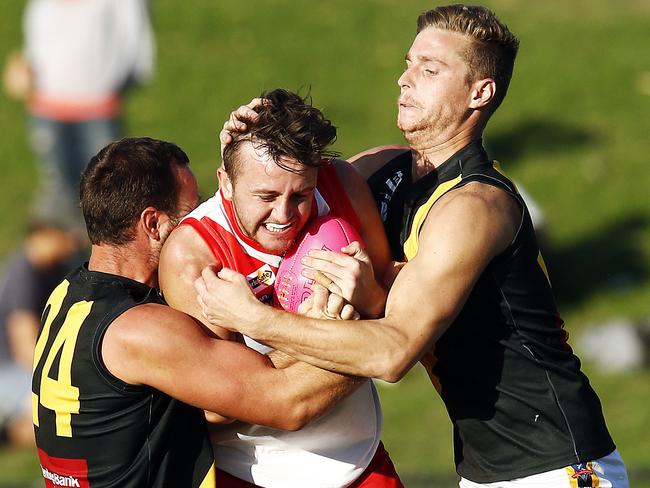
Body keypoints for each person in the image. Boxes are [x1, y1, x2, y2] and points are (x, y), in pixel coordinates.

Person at [194, 5, 629, 488]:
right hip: (488, 468)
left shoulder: (475, 205)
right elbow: (279, 199)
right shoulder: (382, 170)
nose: (405, 79)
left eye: (430, 69)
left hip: (555, 465)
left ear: (479, 93)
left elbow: (393, 353)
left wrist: (253, 319)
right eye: (408, 63)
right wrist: (243, 152)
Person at [32, 136, 367, 488]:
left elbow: (225, 378)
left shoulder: (68, 293)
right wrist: (379, 335)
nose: (204, 220)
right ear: (153, 224)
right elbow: (286, 402)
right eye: (192, 211)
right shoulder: (142, 329)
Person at [159, 88, 402, 488]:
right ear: (226, 182)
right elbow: (221, 405)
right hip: (255, 474)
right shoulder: (196, 254)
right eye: (266, 196)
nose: (284, 215)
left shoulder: (340, 186)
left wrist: (371, 298)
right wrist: (336, 332)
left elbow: (391, 303)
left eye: (300, 195)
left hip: (361, 460)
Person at [3, 0, 155, 232]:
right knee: (58, 191)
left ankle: (104, 256)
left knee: (107, 191)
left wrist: (120, 82)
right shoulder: (43, 5)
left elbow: (136, 42)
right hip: (47, 110)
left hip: (98, 108)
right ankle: (66, 260)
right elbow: (37, 47)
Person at [0, 222, 80, 446]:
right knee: (57, 411)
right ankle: (9, 434)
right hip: (9, 369)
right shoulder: (23, 276)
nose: (73, 242)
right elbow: (26, 350)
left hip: (36, 365)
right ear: (43, 233)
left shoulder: (55, 267)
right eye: (64, 233)